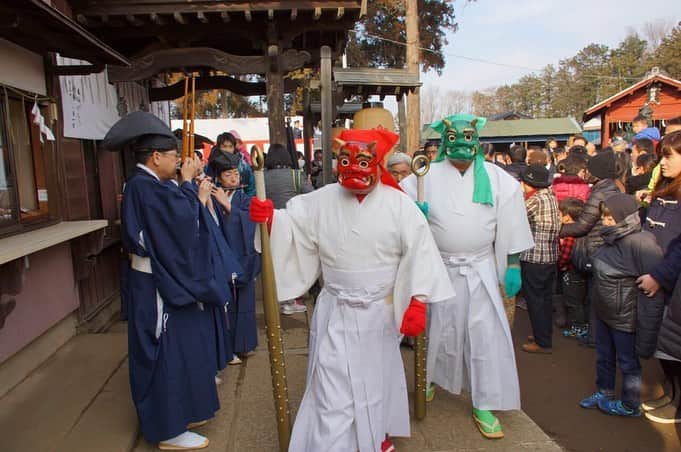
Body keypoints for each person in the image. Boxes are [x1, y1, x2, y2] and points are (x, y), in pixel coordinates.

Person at [249, 128, 454, 452]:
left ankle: (376, 435)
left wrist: (417, 300)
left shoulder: (399, 204)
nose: (355, 170)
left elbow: (420, 251)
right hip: (337, 311)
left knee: (377, 380)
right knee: (333, 387)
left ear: (376, 164)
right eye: (346, 161)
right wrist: (271, 220)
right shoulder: (323, 198)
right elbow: (294, 224)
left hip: (380, 312)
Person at [402, 114, 534, 439]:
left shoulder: (498, 178)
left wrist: (513, 263)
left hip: (481, 268)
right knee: (437, 328)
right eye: (454, 138)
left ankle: (484, 400)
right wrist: (411, 215)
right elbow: (398, 209)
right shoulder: (423, 175)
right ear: (445, 141)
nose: (461, 144)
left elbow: (513, 221)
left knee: (484, 334)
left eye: (467, 138)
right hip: (439, 267)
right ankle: (428, 376)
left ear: (477, 141)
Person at [109, 112, 227, 450]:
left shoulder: (144, 185)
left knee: (179, 348)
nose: (179, 162)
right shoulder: (146, 187)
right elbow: (181, 221)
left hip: (156, 278)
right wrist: (189, 186)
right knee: (164, 353)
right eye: (175, 157)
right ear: (156, 157)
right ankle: (167, 428)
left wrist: (185, 187)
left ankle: (181, 412)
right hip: (155, 283)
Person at [579, 194, 664, 417]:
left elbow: (655, 286)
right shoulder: (609, 238)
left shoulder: (641, 242)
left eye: (610, 218)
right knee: (603, 356)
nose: (605, 222)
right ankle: (604, 392)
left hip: (626, 316)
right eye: (604, 217)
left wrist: (648, 327)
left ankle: (630, 404)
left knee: (628, 362)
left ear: (624, 217)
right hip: (604, 312)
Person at [560, 150, 623, 347]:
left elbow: (583, 225)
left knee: (593, 296)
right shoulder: (611, 188)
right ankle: (593, 334)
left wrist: (556, 230)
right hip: (602, 246)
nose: (585, 172)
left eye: (589, 169)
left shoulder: (601, 191)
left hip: (595, 248)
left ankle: (594, 337)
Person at [211, 153, 261, 363]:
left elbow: (252, 224)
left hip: (243, 257)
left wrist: (229, 207)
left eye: (235, 173)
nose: (233, 178)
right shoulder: (212, 197)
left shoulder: (246, 199)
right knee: (225, 304)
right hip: (222, 257)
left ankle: (245, 345)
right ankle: (226, 347)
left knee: (245, 302)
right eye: (227, 174)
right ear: (218, 178)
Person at [264, 143, 313, 315]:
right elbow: (310, 195)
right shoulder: (295, 175)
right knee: (292, 261)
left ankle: (276, 296)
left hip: (270, 222)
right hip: (292, 222)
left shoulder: (262, 176)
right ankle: (290, 298)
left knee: (275, 259)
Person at [519, 165, 561, 353]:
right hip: (550, 256)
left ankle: (542, 342)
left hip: (535, 257)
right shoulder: (549, 196)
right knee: (544, 299)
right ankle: (542, 334)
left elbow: (516, 216)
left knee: (535, 300)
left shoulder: (535, 200)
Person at [558, 198, 589, 338]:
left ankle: (579, 328)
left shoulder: (569, 235)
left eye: (559, 213)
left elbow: (565, 256)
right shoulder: (581, 232)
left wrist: (560, 265)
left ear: (567, 216)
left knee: (573, 301)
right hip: (579, 273)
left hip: (571, 273)